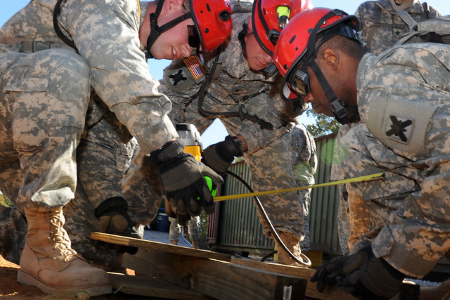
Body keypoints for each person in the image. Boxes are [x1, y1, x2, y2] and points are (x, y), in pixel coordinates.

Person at [0, 0, 231, 296]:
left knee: (88, 249)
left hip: (15, 151)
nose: (188, 52)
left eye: (197, 52)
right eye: (193, 37)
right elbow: (121, 70)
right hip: (10, 115)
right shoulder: (111, 5)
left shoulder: (127, 64)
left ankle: (21, 238)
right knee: (64, 69)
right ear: (173, 5)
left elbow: (101, 144)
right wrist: (170, 154)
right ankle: (44, 246)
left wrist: (110, 203)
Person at [273, 7, 450, 299]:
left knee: (358, 150)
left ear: (330, 58)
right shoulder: (391, 75)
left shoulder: (380, 94)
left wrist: (390, 264)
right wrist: (375, 253)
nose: (306, 98)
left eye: (301, 83)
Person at [125, 0, 315, 265]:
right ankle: (128, 222)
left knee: (277, 159)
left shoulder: (294, 64)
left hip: (254, 110)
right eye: (262, 45)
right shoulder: (212, 42)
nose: (267, 58)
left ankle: (287, 244)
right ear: (249, 29)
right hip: (203, 97)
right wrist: (173, 153)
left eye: (277, 53)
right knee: (156, 142)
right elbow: (174, 99)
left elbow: (278, 118)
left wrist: (234, 146)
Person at [332, 0, 442, 256]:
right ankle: (355, 268)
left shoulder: (429, 15)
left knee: (405, 211)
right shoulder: (366, 12)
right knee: (355, 218)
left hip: (407, 132)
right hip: (362, 129)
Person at [289, 122, 317, 253]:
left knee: (297, 214)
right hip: (305, 177)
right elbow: (314, 161)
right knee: (301, 212)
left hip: (297, 178)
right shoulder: (307, 132)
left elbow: (291, 157)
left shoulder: (295, 130)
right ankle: (301, 247)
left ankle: (301, 248)